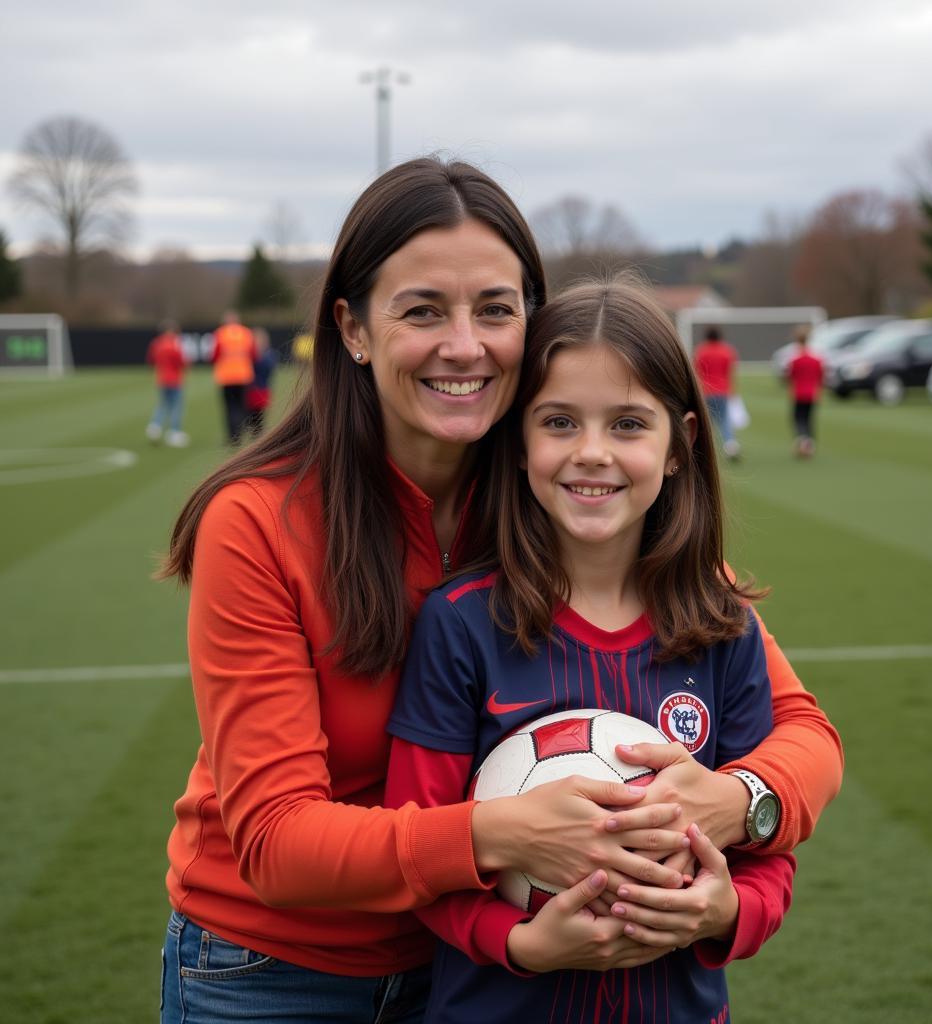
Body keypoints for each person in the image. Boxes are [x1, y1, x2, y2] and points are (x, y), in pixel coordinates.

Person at [157, 158, 841, 1024]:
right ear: (353, 328)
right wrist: (507, 834)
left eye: (494, 309)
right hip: (280, 973)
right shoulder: (256, 521)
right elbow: (277, 841)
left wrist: (738, 799)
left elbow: (805, 733)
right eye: (422, 310)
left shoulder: (568, 494)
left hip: (487, 973)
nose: (464, 345)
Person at [387, 278, 796, 1022]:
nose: (593, 453)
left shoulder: (723, 627)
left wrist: (726, 911)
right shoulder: (461, 625)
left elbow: (767, 856)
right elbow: (419, 850)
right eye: (560, 422)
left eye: (629, 424)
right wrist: (520, 942)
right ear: (517, 444)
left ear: (681, 447)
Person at [694, 326, 741, 461]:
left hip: (705, 391)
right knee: (724, 420)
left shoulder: (701, 351)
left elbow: (696, 372)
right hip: (722, 390)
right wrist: (733, 390)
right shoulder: (727, 351)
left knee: (707, 422)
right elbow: (730, 372)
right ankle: (730, 445)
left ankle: (705, 449)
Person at [211, 310, 257, 445]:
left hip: (226, 377)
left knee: (229, 407)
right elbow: (254, 355)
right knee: (242, 407)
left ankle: (233, 436)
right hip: (243, 376)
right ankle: (240, 433)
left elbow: (214, 356)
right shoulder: (246, 333)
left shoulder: (220, 334)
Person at [145, 319, 189, 447]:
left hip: (162, 379)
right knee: (176, 406)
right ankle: (174, 433)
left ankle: (155, 426)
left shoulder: (156, 343)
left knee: (163, 404)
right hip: (174, 379)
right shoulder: (175, 344)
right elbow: (181, 361)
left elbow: (151, 359)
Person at [788, 324, 824, 458]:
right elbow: (820, 376)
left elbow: (791, 376)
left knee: (798, 419)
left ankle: (803, 441)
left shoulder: (795, 360)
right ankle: (809, 443)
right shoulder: (816, 359)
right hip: (812, 393)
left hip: (798, 393)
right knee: (809, 419)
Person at [243, 327, 279, 438]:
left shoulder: (268, 355)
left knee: (258, 415)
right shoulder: (253, 355)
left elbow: (269, 370)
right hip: (254, 389)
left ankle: (257, 435)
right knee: (252, 415)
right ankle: (256, 434)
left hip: (260, 388)